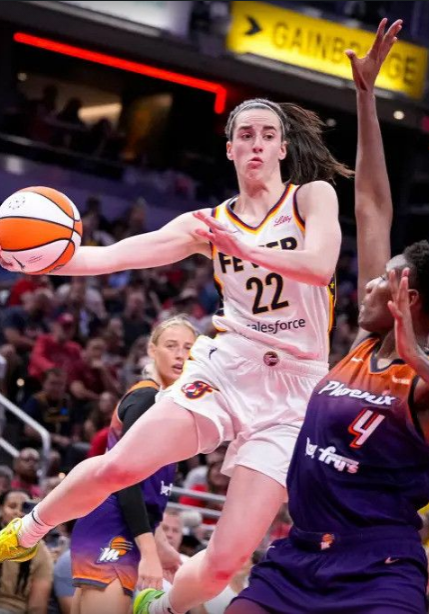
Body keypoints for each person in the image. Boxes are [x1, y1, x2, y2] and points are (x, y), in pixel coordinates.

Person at [0, 93, 351, 614]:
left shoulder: (311, 198)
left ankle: (161, 608)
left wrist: (243, 249)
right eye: (246, 135)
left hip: (296, 392)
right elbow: (110, 256)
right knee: (120, 466)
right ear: (230, 149)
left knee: (227, 560)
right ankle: (26, 529)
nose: (256, 144)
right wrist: (33, 258)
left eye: (267, 135)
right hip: (229, 366)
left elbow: (320, 265)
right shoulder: (204, 224)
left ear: (282, 148)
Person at [226, 18, 429, 614]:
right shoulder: (367, 342)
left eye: (383, 279)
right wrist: (365, 97)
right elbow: (370, 204)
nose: (366, 283)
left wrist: (419, 357)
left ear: (409, 296)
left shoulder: (419, 377)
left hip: (377, 571)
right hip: (296, 558)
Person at [70, 316, 197, 614]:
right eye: (171, 346)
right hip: (112, 526)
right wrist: (150, 553)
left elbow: (149, 494)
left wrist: (161, 545)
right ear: (152, 351)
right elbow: (125, 481)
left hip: (124, 527)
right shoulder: (146, 398)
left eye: (188, 348)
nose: (180, 354)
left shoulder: (168, 404)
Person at [0, 489, 53, 614]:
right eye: (12, 506)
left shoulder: (40, 551)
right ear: (1, 510)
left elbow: (37, 606)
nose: (18, 512)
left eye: (24, 507)